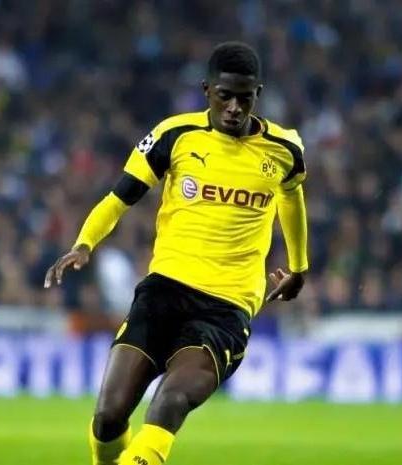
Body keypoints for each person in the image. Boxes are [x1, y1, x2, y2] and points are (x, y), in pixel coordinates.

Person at [44, 41, 308, 465]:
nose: (235, 107)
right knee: (108, 418)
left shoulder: (285, 149)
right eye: (225, 95)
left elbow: (292, 200)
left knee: (169, 402)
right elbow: (119, 197)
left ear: (258, 93)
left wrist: (299, 267)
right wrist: (84, 243)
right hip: (163, 293)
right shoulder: (174, 135)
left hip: (225, 308)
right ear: (207, 90)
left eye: (245, 97)